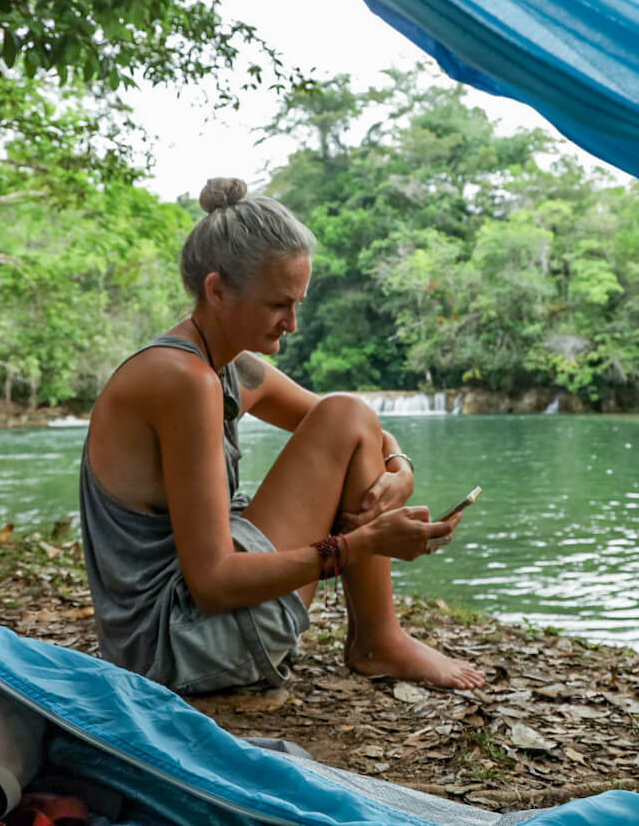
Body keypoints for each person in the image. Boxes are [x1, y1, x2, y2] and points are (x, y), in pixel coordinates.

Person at [80, 177, 486, 696]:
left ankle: (380, 639)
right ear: (217, 290)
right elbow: (212, 582)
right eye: (278, 304)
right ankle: (379, 639)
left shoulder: (228, 365)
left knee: (347, 412)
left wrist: (400, 468)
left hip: (191, 623)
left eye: (298, 303)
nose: (292, 323)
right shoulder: (183, 381)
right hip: (177, 645)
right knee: (346, 416)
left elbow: (357, 429)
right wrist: (360, 545)